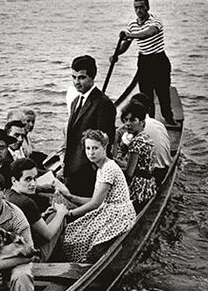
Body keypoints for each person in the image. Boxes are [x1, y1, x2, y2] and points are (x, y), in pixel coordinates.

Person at [56, 130, 135, 263]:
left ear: (104, 148)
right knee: (72, 232)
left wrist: (68, 213)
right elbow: (94, 200)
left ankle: (81, 265)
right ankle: (74, 262)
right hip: (109, 210)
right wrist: (71, 197)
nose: (91, 152)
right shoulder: (101, 167)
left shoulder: (109, 169)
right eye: (88, 148)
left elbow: (95, 204)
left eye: (95, 148)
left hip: (119, 214)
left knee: (76, 237)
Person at [111, 0, 177, 126]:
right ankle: (149, 122)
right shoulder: (132, 25)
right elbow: (125, 45)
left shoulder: (155, 21)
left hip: (159, 61)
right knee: (146, 96)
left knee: (163, 92)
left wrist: (129, 35)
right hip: (144, 62)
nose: (139, 10)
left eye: (142, 7)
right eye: (136, 8)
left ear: (148, 7)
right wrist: (116, 54)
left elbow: (148, 33)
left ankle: (168, 118)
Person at [63, 55, 116, 198]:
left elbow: (104, 142)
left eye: (81, 78)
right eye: (73, 77)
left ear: (92, 77)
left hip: (89, 173)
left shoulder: (103, 104)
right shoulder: (76, 101)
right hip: (72, 169)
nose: (76, 82)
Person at [5, 158, 69, 261]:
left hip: (12, 255)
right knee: (58, 217)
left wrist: (42, 215)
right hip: (32, 258)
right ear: (14, 180)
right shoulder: (26, 203)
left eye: (35, 178)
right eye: (28, 179)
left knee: (51, 215)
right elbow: (48, 235)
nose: (33, 184)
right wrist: (61, 212)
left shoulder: (8, 194)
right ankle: (60, 257)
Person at [116, 101, 157, 212]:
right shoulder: (145, 137)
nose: (128, 124)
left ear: (142, 122)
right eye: (126, 120)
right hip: (149, 185)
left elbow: (129, 173)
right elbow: (138, 166)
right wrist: (115, 162)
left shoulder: (136, 143)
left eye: (133, 120)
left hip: (139, 188)